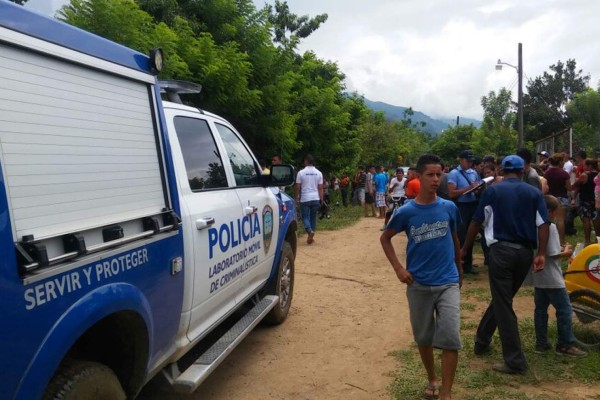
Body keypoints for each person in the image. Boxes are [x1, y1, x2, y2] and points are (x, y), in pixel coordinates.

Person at [380, 153, 462, 400]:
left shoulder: (449, 207)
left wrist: (459, 270)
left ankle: (446, 393)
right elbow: (385, 238)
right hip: (418, 284)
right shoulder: (407, 211)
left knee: (451, 338)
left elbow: (455, 240)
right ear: (418, 176)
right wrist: (398, 269)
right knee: (424, 337)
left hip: (447, 282)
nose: (436, 179)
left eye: (439, 174)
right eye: (430, 175)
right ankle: (432, 378)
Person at [462, 155, 549, 375]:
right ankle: (481, 341)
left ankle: (515, 361)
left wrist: (464, 249)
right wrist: (541, 254)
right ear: (522, 170)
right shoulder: (534, 192)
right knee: (503, 300)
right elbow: (543, 224)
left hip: (500, 253)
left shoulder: (493, 191)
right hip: (524, 255)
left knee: (504, 304)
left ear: (502, 169)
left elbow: (476, 221)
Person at [532, 195, 587, 357]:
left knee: (540, 310)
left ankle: (541, 343)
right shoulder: (550, 227)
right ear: (550, 212)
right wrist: (568, 251)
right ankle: (565, 344)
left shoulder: (533, 224)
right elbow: (553, 254)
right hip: (552, 277)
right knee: (564, 309)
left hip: (539, 276)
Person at [448, 150, 481, 275]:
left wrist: (478, 189)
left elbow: (476, 187)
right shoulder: (454, 174)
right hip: (461, 207)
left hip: (472, 205)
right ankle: (458, 263)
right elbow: (451, 193)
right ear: (461, 160)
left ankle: (468, 264)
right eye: (468, 161)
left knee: (471, 235)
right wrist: (468, 188)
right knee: (461, 236)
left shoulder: (473, 173)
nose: (470, 163)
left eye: (471, 161)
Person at [295, 154, 324, 245]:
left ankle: (309, 230)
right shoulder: (319, 173)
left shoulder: (301, 173)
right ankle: (311, 235)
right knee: (313, 217)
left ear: (306, 161)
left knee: (305, 217)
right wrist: (321, 199)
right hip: (315, 198)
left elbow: (297, 187)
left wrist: (296, 198)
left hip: (305, 198)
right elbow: (320, 188)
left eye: (304, 161)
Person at [545, 153, 572, 243]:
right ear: (560, 162)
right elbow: (569, 188)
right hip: (562, 198)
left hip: (550, 198)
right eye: (563, 161)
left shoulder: (547, 173)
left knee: (549, 220)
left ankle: (549, 240)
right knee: (560, 220)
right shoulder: (564, 174)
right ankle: (562, 241)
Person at [572, 158, 599, 245]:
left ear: (589, 166)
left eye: (584, 165)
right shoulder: (597, 175)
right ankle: (597, 239)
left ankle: (587, 240)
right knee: (596, 220)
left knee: (586, 220)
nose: (583, 167)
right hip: (595, 200)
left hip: (585, 200)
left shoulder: (585, 175)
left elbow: (576, 184)